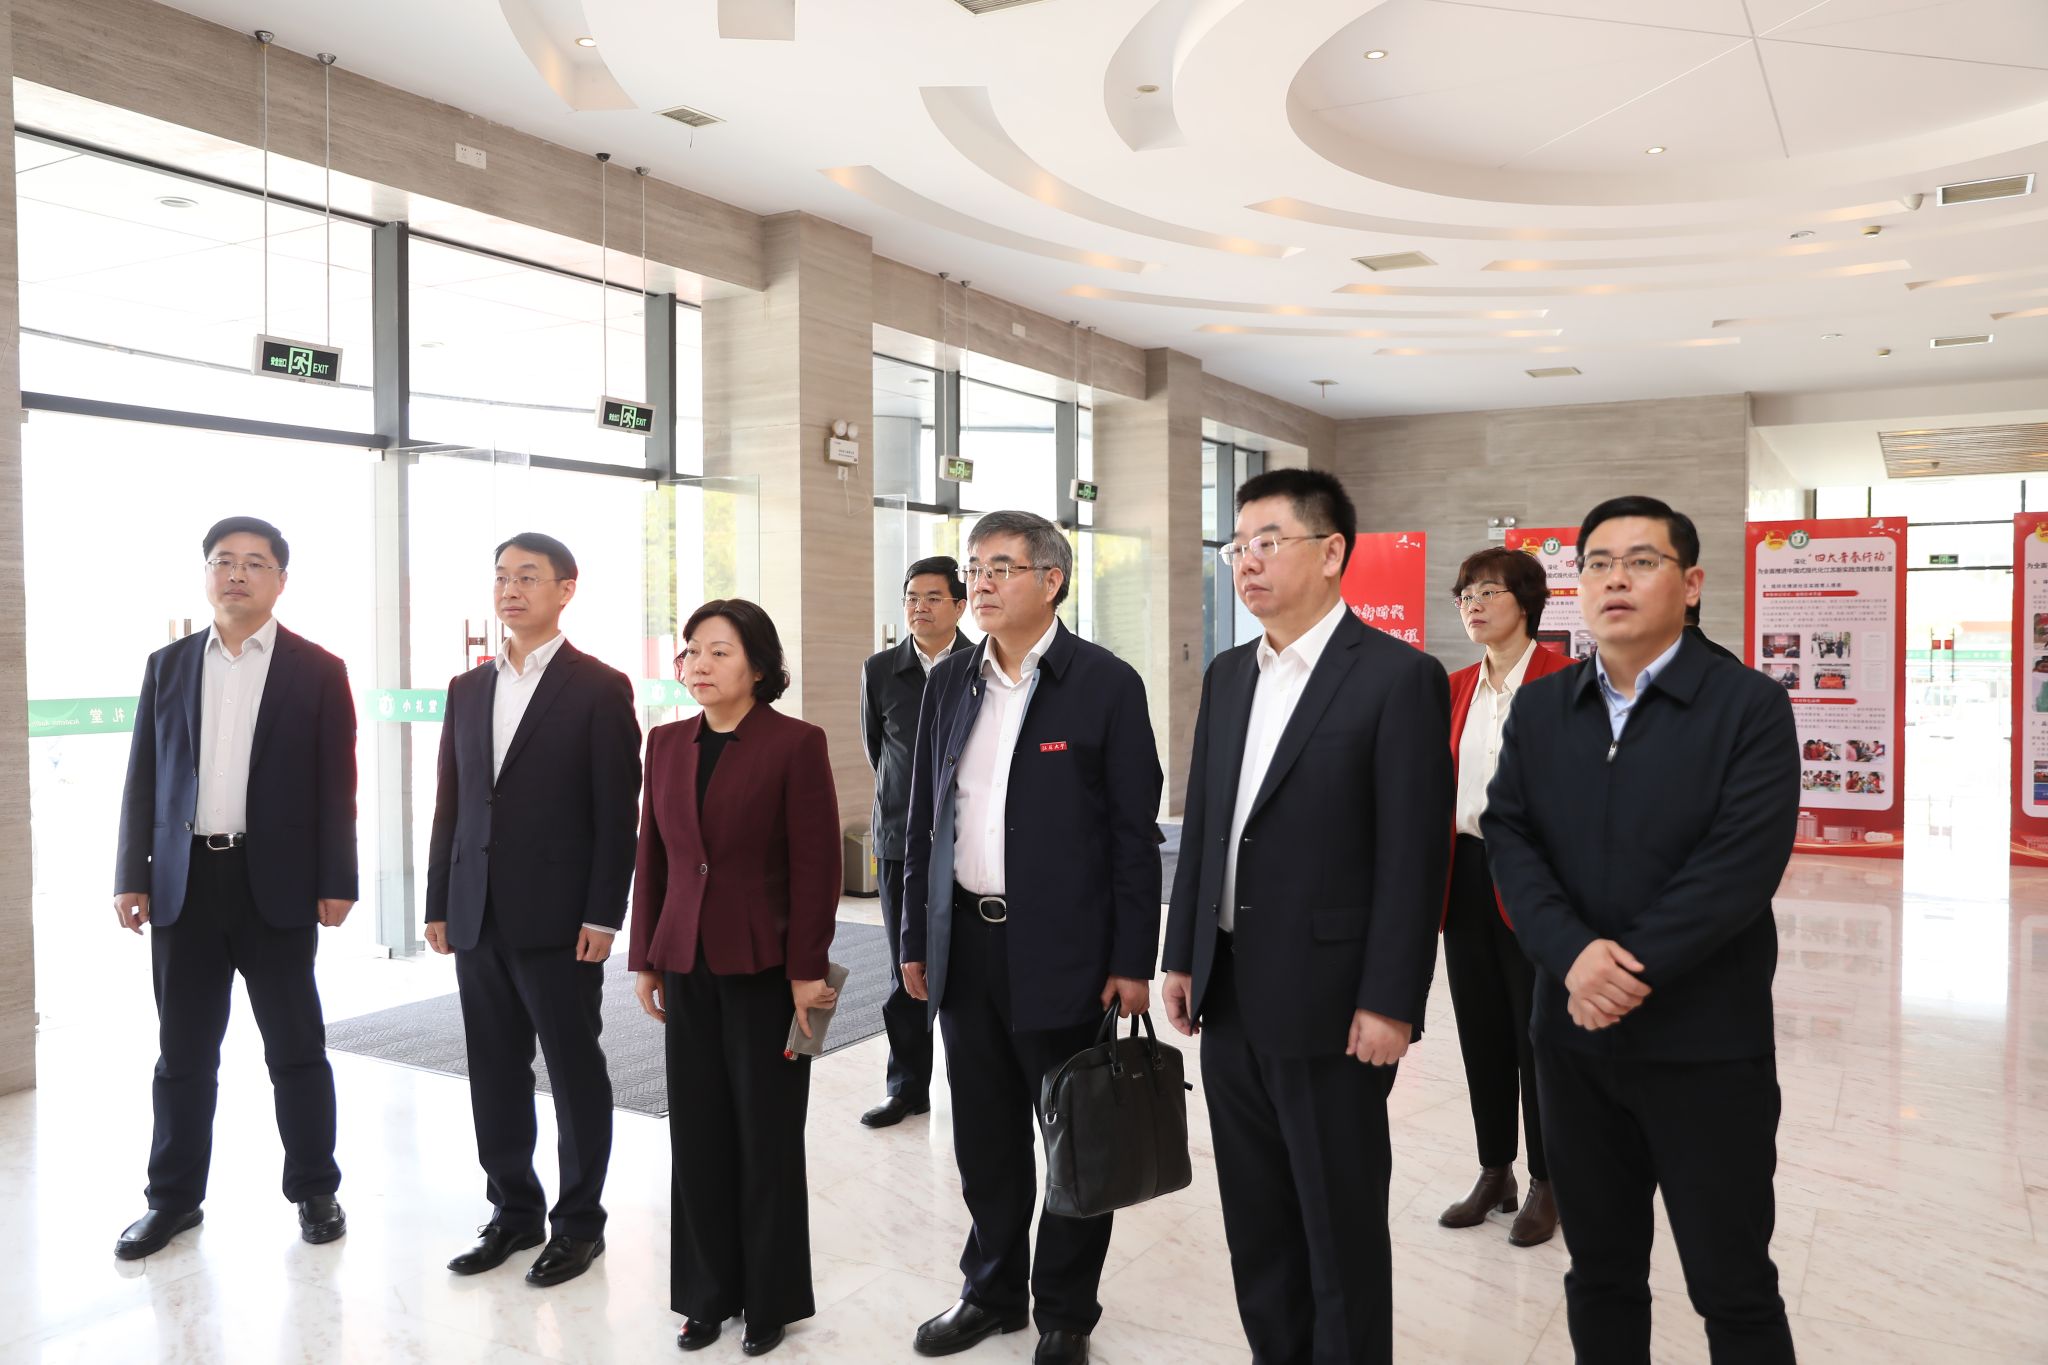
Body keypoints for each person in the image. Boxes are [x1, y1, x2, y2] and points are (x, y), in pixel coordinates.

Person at [1483, 495, 1800, 1363]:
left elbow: (1739, 866)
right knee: (1600, 1274)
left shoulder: (1748, 706)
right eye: (1596, 563)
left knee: (1733, 1284)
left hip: (1707, 1046)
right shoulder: (1543, 710)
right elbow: (1510, 835)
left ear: (1691, 584)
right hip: (1573, 1044)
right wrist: (1572, 956)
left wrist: (1622, 969)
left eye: (1641, 561)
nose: (1614, 578)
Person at [1160, 470, 1451, 1365]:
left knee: (1338, 1224)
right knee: (1257, 1221)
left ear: (1331, 553)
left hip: (1333, 1003)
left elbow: (1414, 856)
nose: (1245, 561)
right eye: (1236, 545)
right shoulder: (1228, 674)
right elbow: (1207, 825)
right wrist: (1182, 951)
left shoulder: (1398, 677)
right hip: (1230, 991)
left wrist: (1391, 999)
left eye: (1267, 541)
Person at [900, 509, 1162, 1365]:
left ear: (1052, 580)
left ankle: (1066, 1311)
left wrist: (1132, 959)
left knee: (1076, 1134)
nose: (979, 582)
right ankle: (991, 1290)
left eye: (1001, 567)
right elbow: (925, 819)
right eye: (975, 566)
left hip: (1067, 951)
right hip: (966, 946)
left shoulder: (1105, 683)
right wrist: (915, 936)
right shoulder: (951, 680)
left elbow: (1133, 837)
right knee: (983, 1133)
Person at [112, 516, 358, 1259]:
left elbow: (337, 786)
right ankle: (172, 1200)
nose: (238, 573)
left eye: (254, 562)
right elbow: (144, 776)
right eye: (224, 561)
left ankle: (315, 1187)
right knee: (182, 1054)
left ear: (280, 579)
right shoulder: (167, 665)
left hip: (276, 885)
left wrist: (337, 879)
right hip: (184, 883)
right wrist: (131, 874)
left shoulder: (318, 669)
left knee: (296, 1047)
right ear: (207, 574)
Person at [424, 532, 641, 1288]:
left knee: (575, 1070)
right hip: (475, 912)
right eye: (501, 577)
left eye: (527, 576)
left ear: (565, 589)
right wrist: (438, 900)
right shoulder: (466, 688)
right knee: (493, 1068)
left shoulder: (600, 687)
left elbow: (617, 813)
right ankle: (513, 1211)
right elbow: (451, 803)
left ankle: (580, 1223)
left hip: (560, 920)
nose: (510, 589)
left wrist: (603, 915)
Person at [630, 600, 839, 1357]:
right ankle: (706, 1295)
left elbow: (818, 865)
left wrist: (807, 971)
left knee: (768, 1136)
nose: (700, 664)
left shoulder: (796, 743)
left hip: (768, 969)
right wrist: (646, 955)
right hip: (687, 961)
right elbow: (653, 855)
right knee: (698, 1134)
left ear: (758, 666)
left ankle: (770, 1298)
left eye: (719, 651)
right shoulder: (666, 742)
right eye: (692, 651)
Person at [1437, 546, 1575, 1248]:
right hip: (1464, 871)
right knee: (1481, 1031)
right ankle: (1496, 1170)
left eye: (1488, 591)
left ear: (1526, 601)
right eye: (1465, 594)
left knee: (1537, 1036)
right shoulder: (1455, 687)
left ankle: (1551, 1179)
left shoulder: (1566, 682)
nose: (1473, 604)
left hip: (1537, 878)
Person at [856, 555, 970, 1129]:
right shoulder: (880, 670)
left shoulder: (981, 664)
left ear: (960, 605)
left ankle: (973, 1085)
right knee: (906, 966)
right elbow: (879, 752)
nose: (918, 608)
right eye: (910, 598)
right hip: (900, 841)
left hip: (968, 844)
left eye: (932, 597)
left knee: (969, 969)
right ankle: (907, 1088)